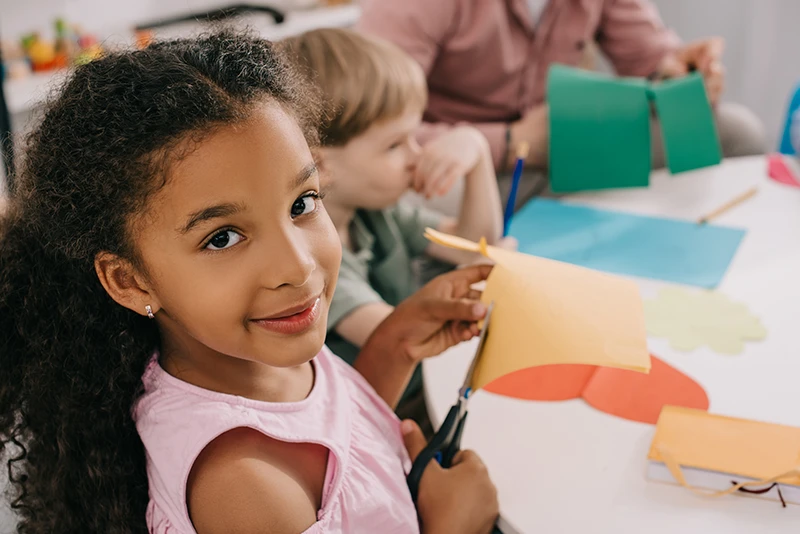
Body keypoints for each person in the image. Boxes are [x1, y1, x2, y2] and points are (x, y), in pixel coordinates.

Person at [0, 31, 499, 533]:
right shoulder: (244, 489)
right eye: (222, 238)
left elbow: (334, 440)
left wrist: (395, 345)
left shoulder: (255, 349)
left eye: (302, 203)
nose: (298, 267)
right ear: (130, 281)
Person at [281, 28, 505, 431]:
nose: (415, 157)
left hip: (429, 392)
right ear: (321, 166)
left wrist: (477, 152)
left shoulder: (377, 212)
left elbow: (475, 246)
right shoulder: (311, 262)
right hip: (387, 421)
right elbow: (404, 334)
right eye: (395, 145)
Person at [358, 0, 767, 206]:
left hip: (562, 151)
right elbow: (365, 127)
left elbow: (650, 57)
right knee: (396, 188)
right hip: (463, 169)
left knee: (736, 132)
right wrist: (509, 140)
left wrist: (678, 72)